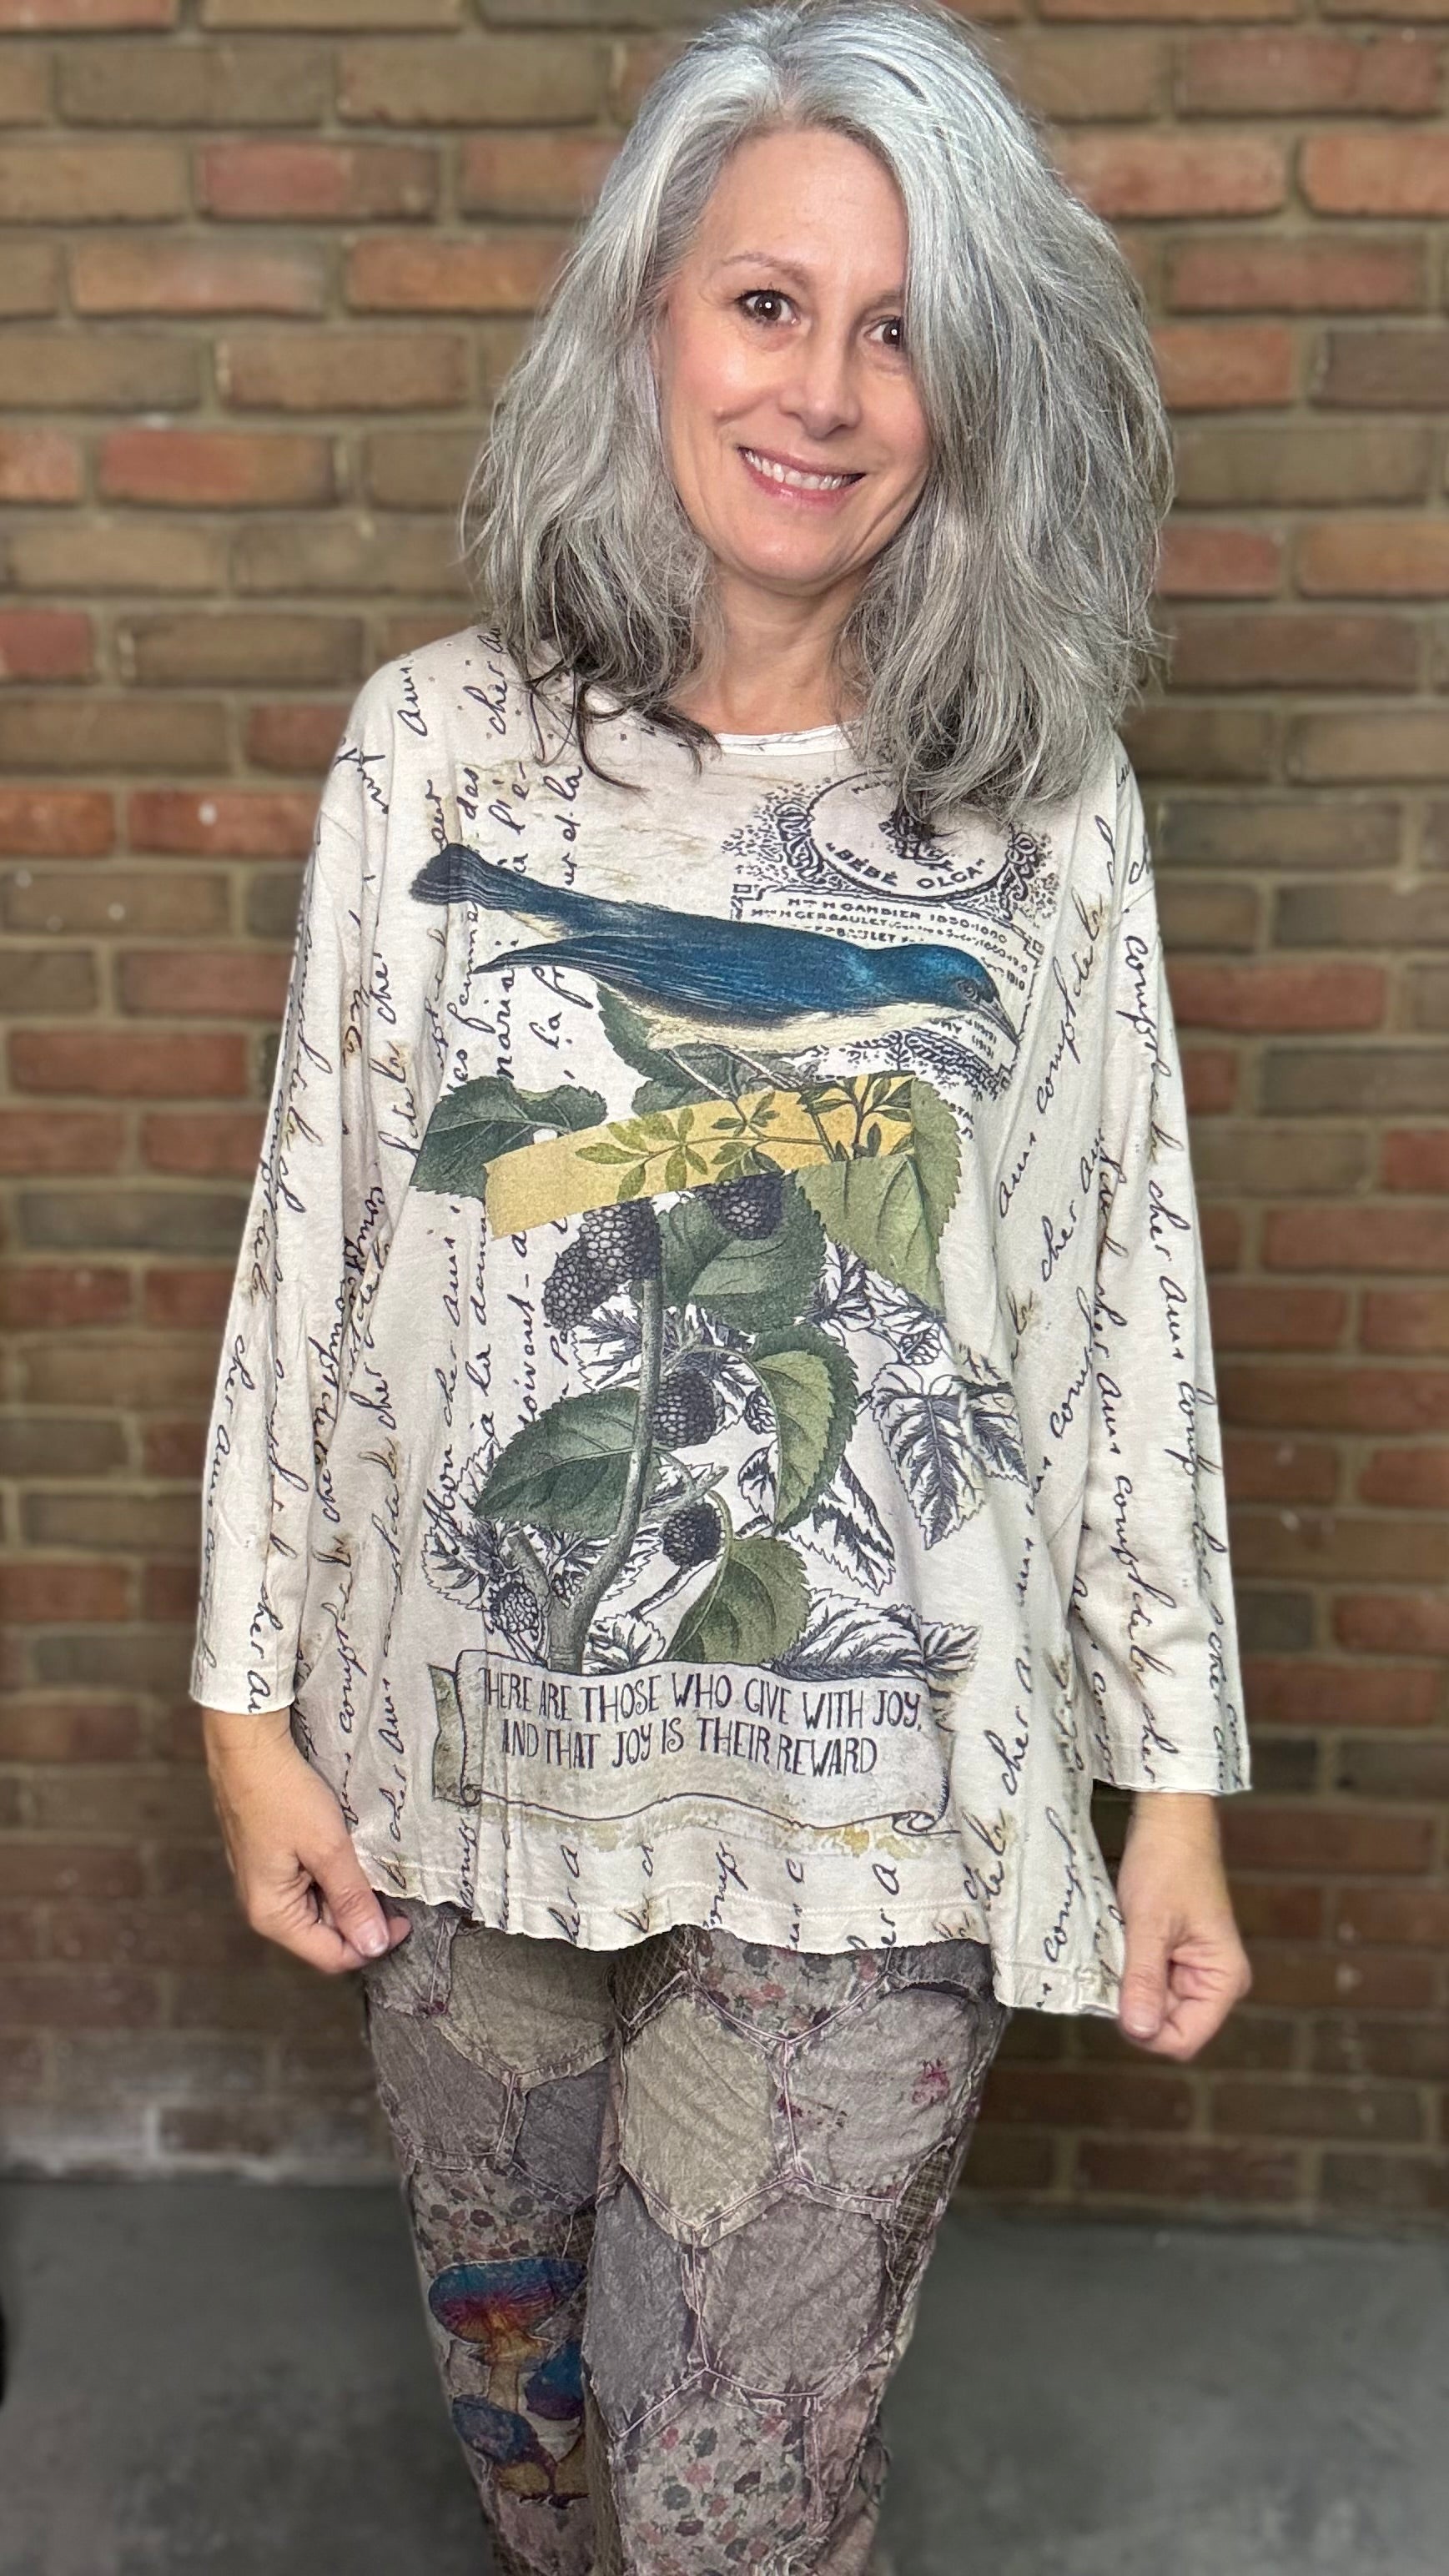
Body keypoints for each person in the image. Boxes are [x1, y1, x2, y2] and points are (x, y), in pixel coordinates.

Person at [194, 2, 1252, 2567]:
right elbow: (312, 1237)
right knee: (532, 2427)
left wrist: (1173, 1781)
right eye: (768, 303)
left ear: (974, 393)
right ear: (647, 320)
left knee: (724, 2496)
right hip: (463, 1780)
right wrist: (244, 1703)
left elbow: (1119, 1303)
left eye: (904, 329)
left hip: (874, 1820)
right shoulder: (432, 755)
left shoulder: (1032, 808)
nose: (827, 388)